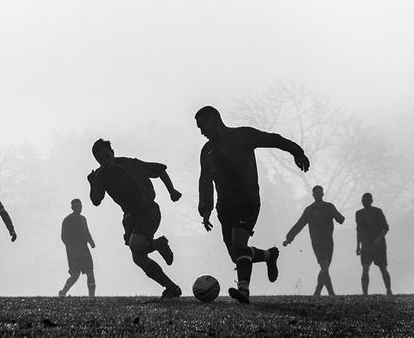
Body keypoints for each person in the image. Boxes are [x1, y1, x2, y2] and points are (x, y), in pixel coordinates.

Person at [196, 105, 310, 303]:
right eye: (199, 128)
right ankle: (268, 256)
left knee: (240, 243)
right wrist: (205, 209)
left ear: (215, 120)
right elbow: (205, 180)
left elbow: (273, 139)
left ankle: (243, 291)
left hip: (247, 201)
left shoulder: (242, 136)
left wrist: (297, 152)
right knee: (236, 255)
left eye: (203, 126)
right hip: (224, 207)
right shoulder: (207, 151)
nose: (202, 132)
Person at [88, 139, 182, 298]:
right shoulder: (100, 175)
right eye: (101, 160)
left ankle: (159, 244)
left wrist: (172, 191)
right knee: (138, 257)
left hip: (148, 210)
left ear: (113, 152)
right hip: (130, 217)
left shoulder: (127, 164)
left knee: (136, 244)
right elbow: (96, 201)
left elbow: (159, 170)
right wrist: (92, 183)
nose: (106, 161)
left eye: (107, 156)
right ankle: (172, 288)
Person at [283, 185, 345, 296]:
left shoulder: (329, 207)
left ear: (322, 194)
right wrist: (289, 238)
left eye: (319, 192)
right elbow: (300, 224)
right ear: (313, 195)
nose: (317, 195)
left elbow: (340, 218)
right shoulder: (310, 210)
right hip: (317, 241)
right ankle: (332, 294)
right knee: (324, 265)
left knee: (324, 268)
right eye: (315, 193)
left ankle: (317, 293)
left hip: (329, 242)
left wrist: (340, 218)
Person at [355, 192, 392, 296]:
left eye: (367, 200)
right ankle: (365, 293)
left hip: (378, 247)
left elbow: (386, 227)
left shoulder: (377, 212)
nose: (364, 202)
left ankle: (389, 290)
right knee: (365, 269)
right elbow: (359, 230)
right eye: (363, 200)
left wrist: (379, 239)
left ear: (371, 201)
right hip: (366, 247)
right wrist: (358, 246)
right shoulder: (358, 213)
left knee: (383, 268)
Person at [59, 198, 96, 297]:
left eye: (80, 206)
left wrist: (91, 242)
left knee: (90, 272)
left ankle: (91, 297)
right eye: (76, 206)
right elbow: (64, 237)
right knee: (75, 275)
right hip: (73, 253)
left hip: (84, 250)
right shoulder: (67, 220)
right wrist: (72, 250)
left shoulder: (83, 219)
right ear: (72, 208)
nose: (79, 208)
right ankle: (63, 292)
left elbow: (86, 232)